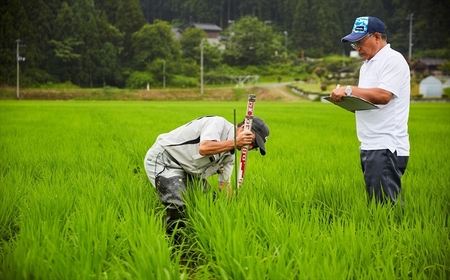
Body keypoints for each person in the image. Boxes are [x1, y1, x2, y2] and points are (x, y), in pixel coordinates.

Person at [330, 16, 410, 205]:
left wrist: (349, 90)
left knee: (383, 206)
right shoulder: (366, 67)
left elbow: (383, 96)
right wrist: (348, 102)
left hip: (386, 145)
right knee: (378, 203)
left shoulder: (393, 60)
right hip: (369, 144)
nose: (357, 48)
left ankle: (395, 233)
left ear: (376, 37)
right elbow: (367, 103)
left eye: (360, 42)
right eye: (354, 44)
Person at [144, 115, 269, 235]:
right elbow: (204, 148)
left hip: (188, 169)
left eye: (254, 147)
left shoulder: (230, 155)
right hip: (165, 160)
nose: (250, 147)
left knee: (211, 201)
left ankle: (204, 232)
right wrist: (235, 142)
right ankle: (175, 247)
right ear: (243, 129)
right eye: (251, 141)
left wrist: (233, 209)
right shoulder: (217, 123)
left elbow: (224, 185)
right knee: (178, 203)